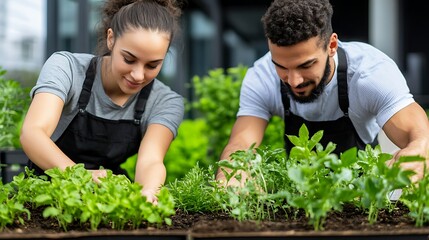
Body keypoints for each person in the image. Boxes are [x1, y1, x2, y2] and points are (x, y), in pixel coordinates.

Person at [216, 0, 429, 184]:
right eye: (280, 66)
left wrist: (417, 151)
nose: (293, 80)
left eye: (305, 65)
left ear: (332, 45)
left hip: (364, 199)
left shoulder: (369, 75)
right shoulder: (261, 77)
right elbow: (242, 143)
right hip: (300, 198)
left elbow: (418, 135)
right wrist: (233, 173)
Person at [20, 0, 185, 204]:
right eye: (129, 59)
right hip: (44, 192)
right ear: (111, 39)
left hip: (106, 201)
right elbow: (32, 133)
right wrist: (80, 176)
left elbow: (150, 161)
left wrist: (148, 193)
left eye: (152, 65)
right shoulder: (67, 68)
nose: (138, 75)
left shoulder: (165, 102)